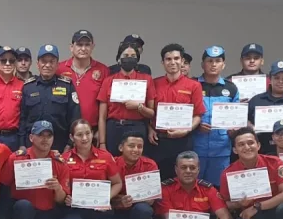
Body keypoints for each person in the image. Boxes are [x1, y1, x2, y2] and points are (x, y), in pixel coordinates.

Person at [1, 121, 69, 219]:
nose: (45, 139)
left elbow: (61, 200)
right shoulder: (17, 158)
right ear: (31, 138)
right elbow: (4, 183)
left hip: (46, 212)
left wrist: (57, 188)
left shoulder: (59, 162)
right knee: (24, 206)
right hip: (21, 211)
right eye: (40, 135)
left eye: (49, 136)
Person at [61, 119, 122, 219]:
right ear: (71, 137)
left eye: (88, 133)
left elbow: (117, 183)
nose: (84, 138)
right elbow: (62, 186)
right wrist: (66, 197)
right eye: (79, 134)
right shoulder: (64, 159)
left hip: (98, 213)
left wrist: (106, 198)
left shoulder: (105, 157)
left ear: (92, 134)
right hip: (75, 210)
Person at [148, 43, 206, 180]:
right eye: (168, 59)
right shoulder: (154, 83)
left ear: (182, 61)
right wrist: (149, 128)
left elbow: (198, 115)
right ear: (163, 63)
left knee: (184, 179)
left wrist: (186, 130)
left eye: (176, 58)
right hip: (159, 142)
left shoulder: (194, 85)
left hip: (183, 140)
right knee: (160, 180)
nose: (172, 62)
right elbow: (148, 112)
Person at [96, 41, 156, 156]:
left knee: (135, 166)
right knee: (113, 165)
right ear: (119, 58)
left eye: (133, 56)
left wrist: (139, 107)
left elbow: (151, 113)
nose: (129, 59)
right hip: (114, 128)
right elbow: (102, 117)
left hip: (137, 127)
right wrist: (102, 143)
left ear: (137, 59)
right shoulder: (109, 81)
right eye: (125, 56)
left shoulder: (146, 80)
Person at [19, 44, 80, 152]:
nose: (47, 65)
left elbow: (74, 116)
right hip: (32, 146)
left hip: (60, 145)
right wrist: (22, 144)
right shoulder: (28, 87)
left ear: (57, 65)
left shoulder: (67, 85)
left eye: (51, 61)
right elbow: (22, 118)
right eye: (43, 61)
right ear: (38, 64)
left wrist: (70, 144)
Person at [194, 46, 240, 187]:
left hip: (221, 149)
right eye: (210, 61)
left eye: (218, 61)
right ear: (203, 64)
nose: (213, 64)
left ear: (223, 64)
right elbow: (185, 113)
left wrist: (234, 130)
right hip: (196, 148)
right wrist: (196, 126)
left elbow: (236, 117)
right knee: (194, 187)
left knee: (219, 189)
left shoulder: (231, 88)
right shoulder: (193, 84)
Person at [111, 132, 157, 219]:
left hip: (137, 210)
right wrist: (119, 201)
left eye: (139, 146)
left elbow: (151, 200)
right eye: (131, 146)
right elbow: (104, 195)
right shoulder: (111, 163)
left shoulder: (150, 165)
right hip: (116, 210)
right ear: (121, 148)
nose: (136, 150)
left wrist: (142, 199)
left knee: (145, 210)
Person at [56, 30, 109, 133]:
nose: (83, 48)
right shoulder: (59, 69)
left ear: (93, 47)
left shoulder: (103, 70)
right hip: (64, 129)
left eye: (87, 45)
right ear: (71, 47)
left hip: (92, 130)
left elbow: (107, 105)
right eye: (79, 45)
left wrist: (100, 131)